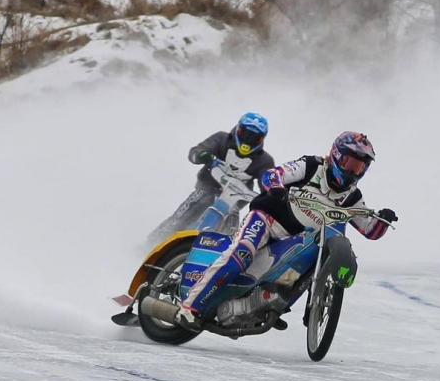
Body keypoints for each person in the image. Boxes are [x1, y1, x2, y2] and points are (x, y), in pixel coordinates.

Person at [176, 131, 398, 330]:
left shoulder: (353, 197)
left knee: (311, 263)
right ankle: (190, 308)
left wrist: (383, 220)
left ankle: (271, 303)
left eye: (359, 167)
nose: (353, 171)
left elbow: (370, 231)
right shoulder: (311, 165)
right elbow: (273, 175)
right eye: (350, 163)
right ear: (337, 155)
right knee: (241, 253)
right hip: (268, 218)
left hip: (296, 240)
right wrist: (275, 189)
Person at [148, 112, 275, 245]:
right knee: (179, 219)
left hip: (234, 202)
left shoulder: (264, 161)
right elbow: (195, 152)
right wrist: (203, 156)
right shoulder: (221, 139)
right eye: (245, 134)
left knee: (230, 237)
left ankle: (214, 260)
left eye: (255, 138)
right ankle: (150, 244)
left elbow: (269, 185)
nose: (247, 141)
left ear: (262, 140)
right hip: (207, 189)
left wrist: (270, 197)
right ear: (238, 129)